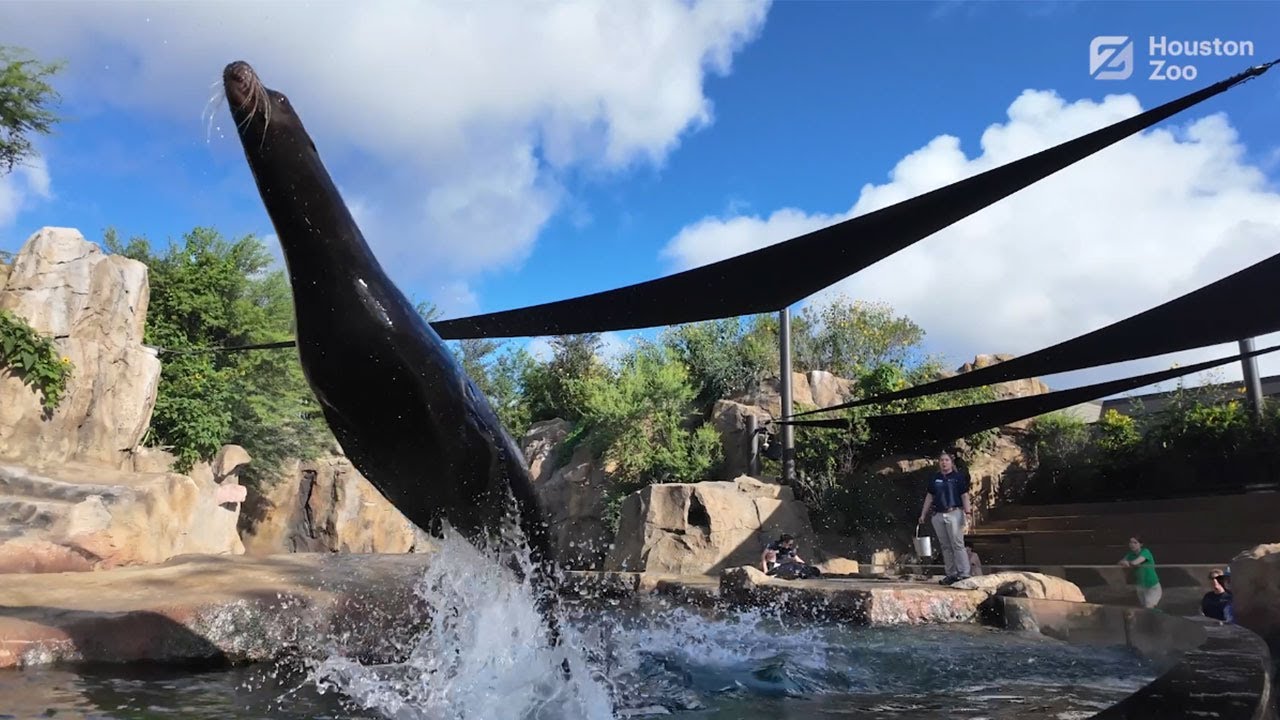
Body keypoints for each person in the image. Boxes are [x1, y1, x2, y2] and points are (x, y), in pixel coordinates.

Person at [917, 449, 972, 585]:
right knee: (945, 546)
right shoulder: (935, 478)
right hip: (938, 514)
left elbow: (964, 495)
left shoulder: (958, 477)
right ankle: (951, 573)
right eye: (942, 460)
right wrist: (923, 514)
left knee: (957, 544)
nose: (944, 463)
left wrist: (968, 512)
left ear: (951, 462)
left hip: (954, 512)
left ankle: (964, 573)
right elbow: (930, 496)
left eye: (946, 460)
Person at [1118, 536, 1161, 609]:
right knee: (1144, 608)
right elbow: (1120, 562)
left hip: (1152, 586)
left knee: (1149, 607)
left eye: (1135, 542)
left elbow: (1135, 562)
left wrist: (1127, 563)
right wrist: (1123, 562)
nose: (1132, 544)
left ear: (1141, 544)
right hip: (1140, 585)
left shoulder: (1145, 551)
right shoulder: (1130, 554)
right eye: (1131, 542)